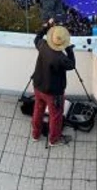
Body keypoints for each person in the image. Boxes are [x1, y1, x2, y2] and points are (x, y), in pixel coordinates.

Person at [31, 19, 76, 147]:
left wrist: (45, 27)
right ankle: (53, 139)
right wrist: (70, 50)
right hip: (53, 92)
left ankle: (35, 134)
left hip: (38, 85)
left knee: (38, 110)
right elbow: (72, 65)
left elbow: (36, 39)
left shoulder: (43, 45)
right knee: (55, 115)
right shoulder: (61, 58)